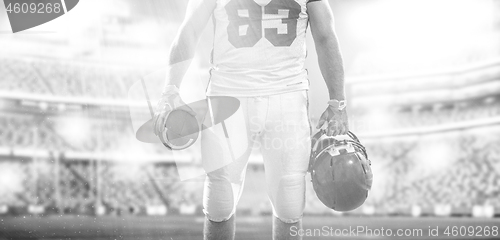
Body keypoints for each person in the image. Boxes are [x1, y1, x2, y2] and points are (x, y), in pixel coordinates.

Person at [153, 0, 348, 239]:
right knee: (219, 202)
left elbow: (326, 36)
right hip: (228, 95)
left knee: (289, 202)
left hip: (287, 95)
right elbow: (190, 28)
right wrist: (170, 88)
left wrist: (338, 100)